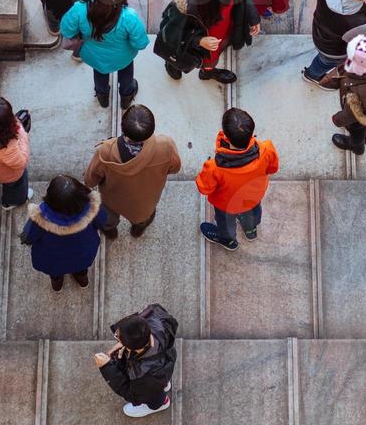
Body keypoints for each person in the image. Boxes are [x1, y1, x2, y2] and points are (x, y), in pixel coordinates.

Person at [153, 0, 259, 84]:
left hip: (223, 32)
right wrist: (199, 41)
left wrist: (253, 18)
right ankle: (172, 63)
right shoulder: (184, 10)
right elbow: (173, 34)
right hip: (204, 40)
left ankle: (207, 73)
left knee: (211, 59)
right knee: (181, 53)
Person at [85, 103, 181, 239]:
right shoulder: (166, 146)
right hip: (144, 201)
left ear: (122, 127)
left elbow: (90, 179)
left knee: (108, 218)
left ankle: (111, 232)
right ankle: (138, 230)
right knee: (142, 217)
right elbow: (175, 168)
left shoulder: (106, 152)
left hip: (112, 199)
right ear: (152, 129)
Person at [60, 0, 148, 109]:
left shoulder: (79, 9)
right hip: (123, 57)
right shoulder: (129, 16)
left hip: (94, 56)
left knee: (100, 74)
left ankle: (102, 97)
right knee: (126, 75)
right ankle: (126, 98)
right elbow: (140, 44)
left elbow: (66, 30)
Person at [195, 107, 279, 251]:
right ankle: (250, 231)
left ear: (226, 137)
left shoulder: (214, 167)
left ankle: (228, 241)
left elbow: (204, 188)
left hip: (227, 205)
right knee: (252, 212)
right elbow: (272, 168)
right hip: (253, 197)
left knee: (226, 223)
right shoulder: (267, 148)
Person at [20, 174, 109, 292]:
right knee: (81, 269)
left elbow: (29, 235)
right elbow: (102, 220)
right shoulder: (92, 208)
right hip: (82, 254)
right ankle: (82, 280)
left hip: (52, 258)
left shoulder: (40, 218)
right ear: (79, 192)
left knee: (55, 273)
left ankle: (57, 285)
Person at [95, 304, 178, 418]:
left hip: (153, 379)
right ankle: (163, 384)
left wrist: (106, 368)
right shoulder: (155, 318)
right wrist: (126, 343)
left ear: (131, 348)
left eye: (118, 336)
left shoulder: (143, 375)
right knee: (157, 382)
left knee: (151, 395)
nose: (117, 335)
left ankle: (160, 403)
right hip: (166, 359)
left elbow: (132, 394)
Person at [318, 35, 366, 155]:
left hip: (359, 117)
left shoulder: (363, 92)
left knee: (356, 131)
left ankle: (356, 147)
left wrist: (338, 119)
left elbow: (352, 113)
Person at [302, 0, 366, 86]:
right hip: (333, 51)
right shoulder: (359, 22)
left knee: (322, 60)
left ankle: (312, 73)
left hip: (318, 30)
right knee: (324, 63)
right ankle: (311, 76)